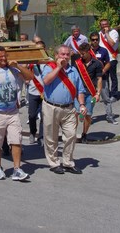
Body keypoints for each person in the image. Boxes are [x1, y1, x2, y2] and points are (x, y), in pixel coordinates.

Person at [0, 46, 33, 181]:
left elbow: (30, 77)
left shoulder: (13, 70)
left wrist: (18, 66)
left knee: (16, 140)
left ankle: (17, 169)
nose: (3, 58)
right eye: (0, 57)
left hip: (13, 112)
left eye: (5, 56)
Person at [42, 45, 85, 175]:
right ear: (56, 56)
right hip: (51, 107)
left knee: (71, 135)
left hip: (69, 108)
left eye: (67, 54)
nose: (65, 57)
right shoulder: (49, 67)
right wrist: (59, 67)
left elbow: (80, 90)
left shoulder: (74, 70)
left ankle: (68, 162)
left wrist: (82, 104)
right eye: (62, 54)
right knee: (51, 137)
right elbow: (46, 80)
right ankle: (54, 163)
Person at [75, 42, 103, 144]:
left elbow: (99, 79)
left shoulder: (97, 63)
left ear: (88, 52)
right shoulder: (77, 63)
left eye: (83, 54)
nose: (81, 56)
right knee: (76, 113)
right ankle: (72, 134)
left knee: (88, 114)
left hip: (91, 92)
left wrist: (98, 93)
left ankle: (84, 134)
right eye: (80, 54)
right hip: (78, 92)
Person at [89, 32, 117, 125]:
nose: (95, 41)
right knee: (92, 100)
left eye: (97, 39)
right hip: (91, 80)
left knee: (106, 99)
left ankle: (110, 116)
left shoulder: (104, 51)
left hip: (103, 78)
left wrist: (103, 71)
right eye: (93, 39)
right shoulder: (88, 51)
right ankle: (89, 118)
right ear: (90, 40)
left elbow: (108, 63)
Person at [26, 41, 47, 145]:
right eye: (37, 49)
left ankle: (41, 136)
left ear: (45, 49)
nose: (39, 51)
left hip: (46, 93)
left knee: (44, 116)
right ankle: (32, 132)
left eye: (41, 49)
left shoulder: (49, 61)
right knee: (32, 115)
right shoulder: (30, 62)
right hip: (33, 92)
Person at [99, 19, 119, 100]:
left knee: (113, 77)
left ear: (109, 24)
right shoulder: (99, 34)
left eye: (106, 24)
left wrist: (107, 33)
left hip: (111, 58)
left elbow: (112, 43)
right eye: (102, 25)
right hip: (102, 59)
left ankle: (114, 94)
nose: (104, 26)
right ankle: (106, 94)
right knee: (104, 77)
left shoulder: (113, 32)